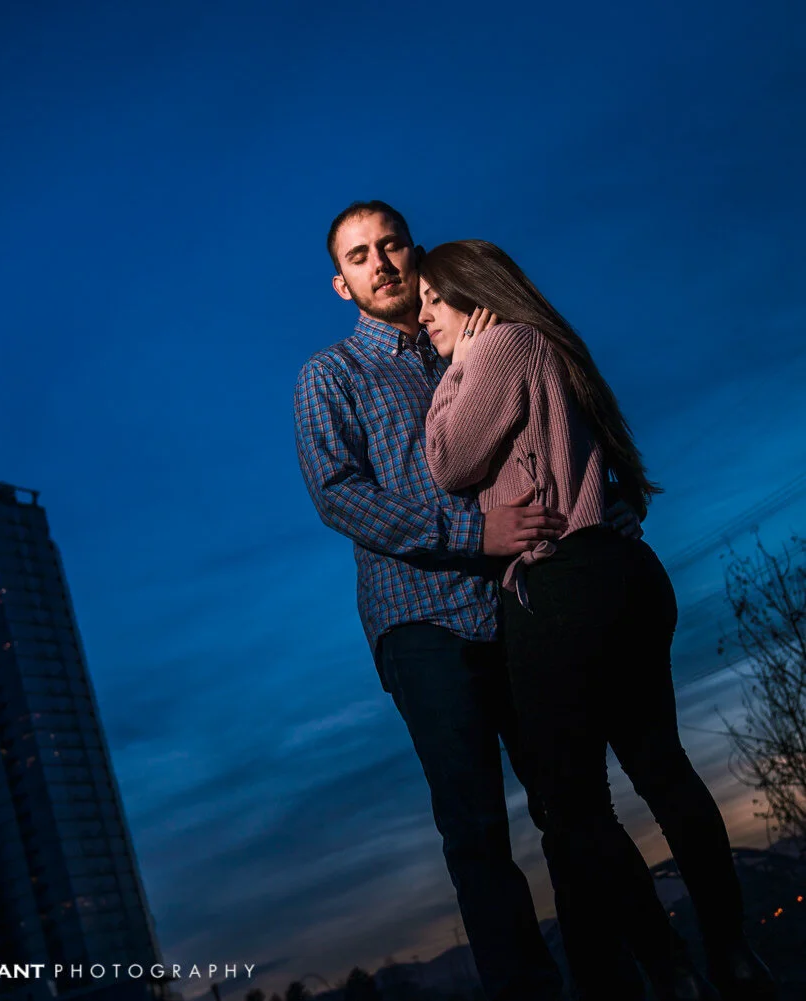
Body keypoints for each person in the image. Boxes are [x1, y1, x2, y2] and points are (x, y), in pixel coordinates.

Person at [418, 239, 777, 1001]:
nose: (422, 318)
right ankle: (732, 952)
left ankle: (669, 967)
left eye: (431, 300)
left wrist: (458, 368)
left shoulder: (497, 348)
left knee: (572, 803)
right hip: (625, 575)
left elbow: (448, 462)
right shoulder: (548, 344)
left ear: (470, 296)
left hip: (562, 587)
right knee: (663, 766)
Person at [295, 201, 571, 1001]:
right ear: (341, 284)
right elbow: (338, 496)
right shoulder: (330, 375)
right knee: (477, 829)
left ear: (413, 253)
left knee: (569, 799)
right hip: (420, 623)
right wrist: (471, 531)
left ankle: (619, 971)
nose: (379, 263)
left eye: (390, 246)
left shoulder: (468, 340)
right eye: (358, 257)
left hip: (515, 598)